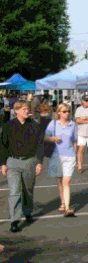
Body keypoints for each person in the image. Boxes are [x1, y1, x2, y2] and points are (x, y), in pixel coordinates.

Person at [0, 100, 44, 233]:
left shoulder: (34, 126)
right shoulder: (9, 126)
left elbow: (40, 145)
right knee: (14, 191)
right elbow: (3, 145)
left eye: (28, 109)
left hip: (29, 161)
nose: (27, 111)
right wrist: (3, 164)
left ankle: (27, 212)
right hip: (12, 162)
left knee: (28, 190)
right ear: (16, 111)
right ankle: (14, 220)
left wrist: (39, 162)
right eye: (24, 109)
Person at [45, 104, 77, 217]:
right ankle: (63, 202)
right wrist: (53, 138)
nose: (67, 113)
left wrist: (76, 155)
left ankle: (67, 208)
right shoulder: (53, 124)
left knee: (66, 182)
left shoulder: (73, 125)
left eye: (68, 111)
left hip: (69, 156)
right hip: (56, 156)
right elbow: (45, 136)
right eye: (64, 111)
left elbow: (74, 140)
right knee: (60, 180)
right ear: (59, 113)